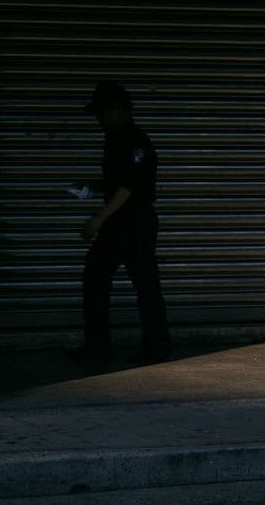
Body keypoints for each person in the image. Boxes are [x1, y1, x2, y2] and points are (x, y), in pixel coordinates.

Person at [70, 81, 171, 365]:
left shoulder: (135, 141)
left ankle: (156, 348)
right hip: (119, 219)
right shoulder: (115, 140)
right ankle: (98, 347)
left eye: (101, 113)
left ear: (117, 109)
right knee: (96, 278)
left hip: (134, 220)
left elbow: (129, 187)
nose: (98, 120)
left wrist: (97, 219)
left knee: (144, 284)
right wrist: (92, 186)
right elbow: (117, 182)